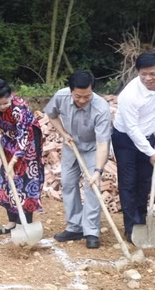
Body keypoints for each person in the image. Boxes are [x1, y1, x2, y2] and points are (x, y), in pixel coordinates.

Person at [44, 70, 111, 249]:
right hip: (71, 146)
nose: (82, 100)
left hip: (93, 148)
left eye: (86, 96)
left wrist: (98, 171)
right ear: (71, 90)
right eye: (78, 96)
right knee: (67, 183)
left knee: (92, 187)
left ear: (92, 91)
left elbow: (103, 144)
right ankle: (75, 226)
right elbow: (51, 115)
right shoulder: (61, 96)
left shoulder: (101, 108)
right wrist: (64, 134)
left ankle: (91, 231)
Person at [111, 52, 155, 242]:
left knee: (144, 182)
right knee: (128, 183)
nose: (148, 78)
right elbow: (132, 129)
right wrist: (151, 152)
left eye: (152, 74)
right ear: (138, 72)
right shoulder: (129, 96)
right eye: (143, 74)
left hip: (147, 134)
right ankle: (131, 229)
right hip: (125, 139)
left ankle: (142, 222)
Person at [0, 79, 44, 235]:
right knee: (7, 178)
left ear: (10, 96)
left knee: (25, 178)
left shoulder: (19, 108)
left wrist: (14, 161)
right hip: (8, 136)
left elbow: (23, 137)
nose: (2, 107)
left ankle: (25, 222)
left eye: (5, 103)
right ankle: (12, 222)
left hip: (28, 139)